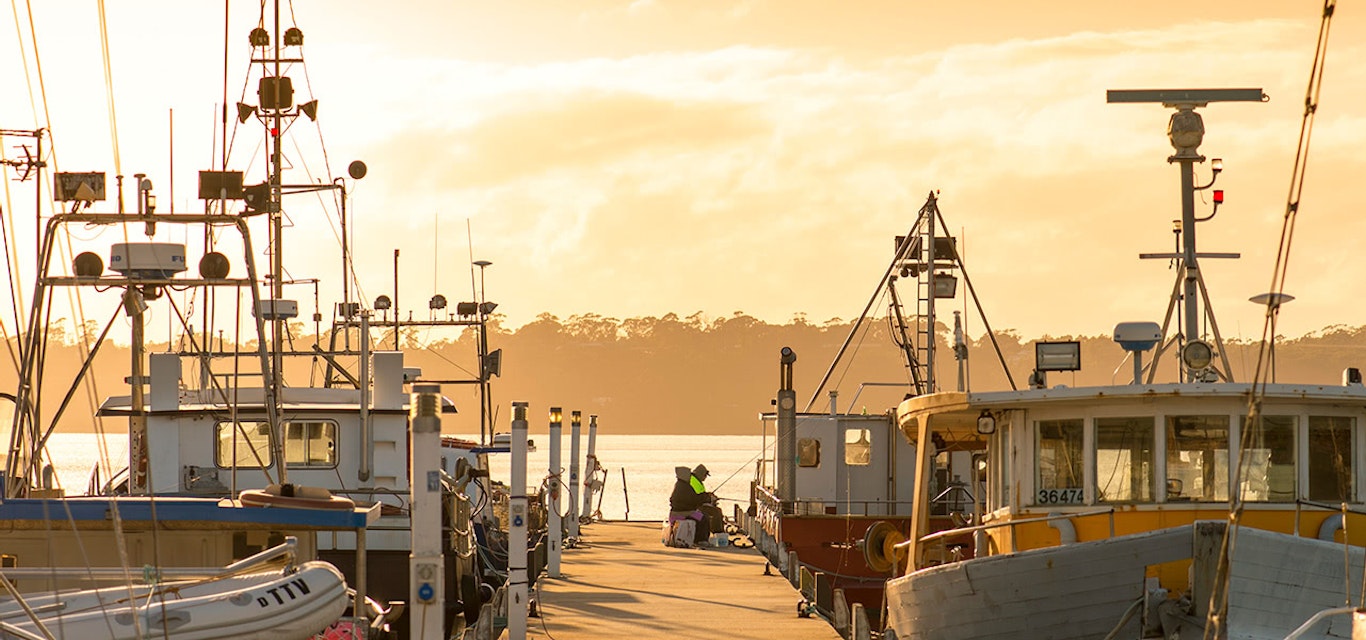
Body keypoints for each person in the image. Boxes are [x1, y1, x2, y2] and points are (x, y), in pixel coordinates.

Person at [669, 464, 724, 545]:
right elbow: (695, 499)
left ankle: (699, 538)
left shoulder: (681, 485)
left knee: (702, 516)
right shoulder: (684, 486)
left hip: (680, 511)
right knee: (703, 518)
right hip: (683, 513)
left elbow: (693, 498)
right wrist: (708, 498)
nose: (689, 476)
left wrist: (707, 497)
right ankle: (700, 540)